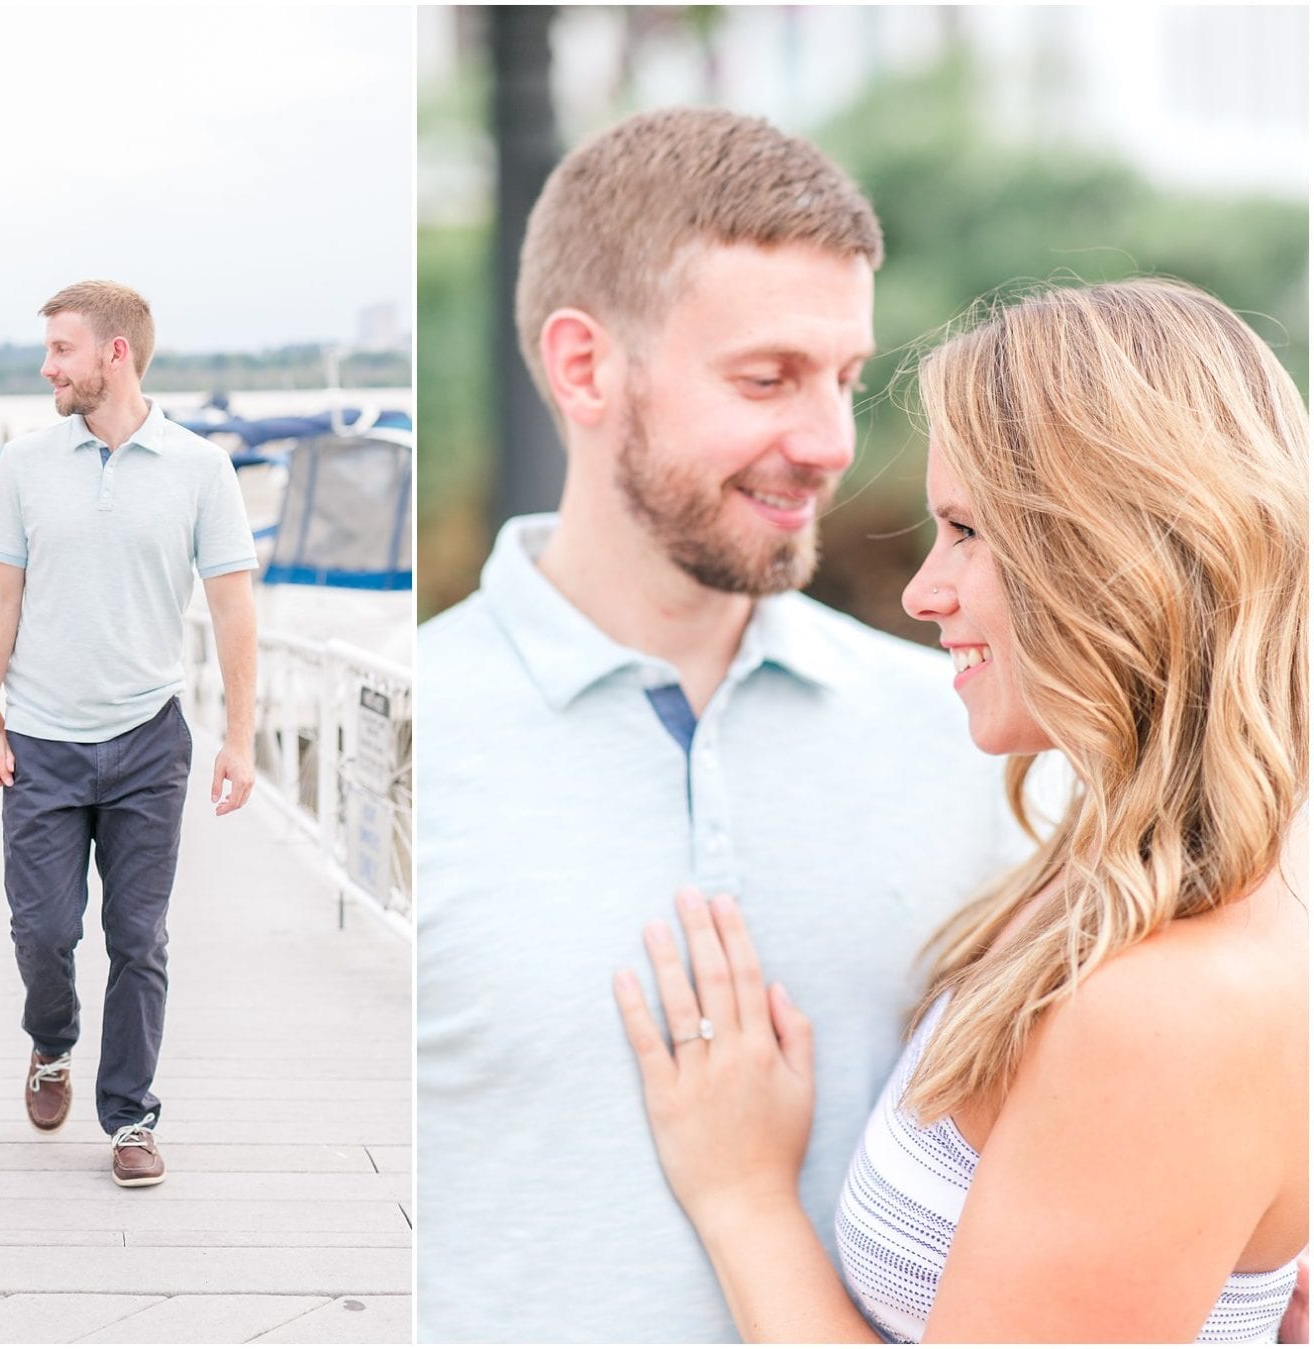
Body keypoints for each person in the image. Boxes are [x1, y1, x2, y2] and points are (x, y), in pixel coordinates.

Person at [416, 107, 1026, 1343]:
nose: (829, 444)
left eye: (846, 378)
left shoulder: (983, 740)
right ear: (585, 367)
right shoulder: (408, 740)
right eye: (768, 379)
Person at [617, 278, 1307, 1341]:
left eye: (966, 530)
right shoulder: (1102, 872)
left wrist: (743, 1194)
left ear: (1115, 551)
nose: (922, 592)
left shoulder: (1169, 1005)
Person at [0, 279, 259, 1188]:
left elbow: (232, 606)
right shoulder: (23, 463)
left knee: (140, 938)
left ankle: (130, 1112)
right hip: (43, 742)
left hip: (146, 740)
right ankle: (52, 1042)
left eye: (61, 348)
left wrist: (239, 736)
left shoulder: (202, 467)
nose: (47, 365)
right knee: (45, 931)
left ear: (114, 353)